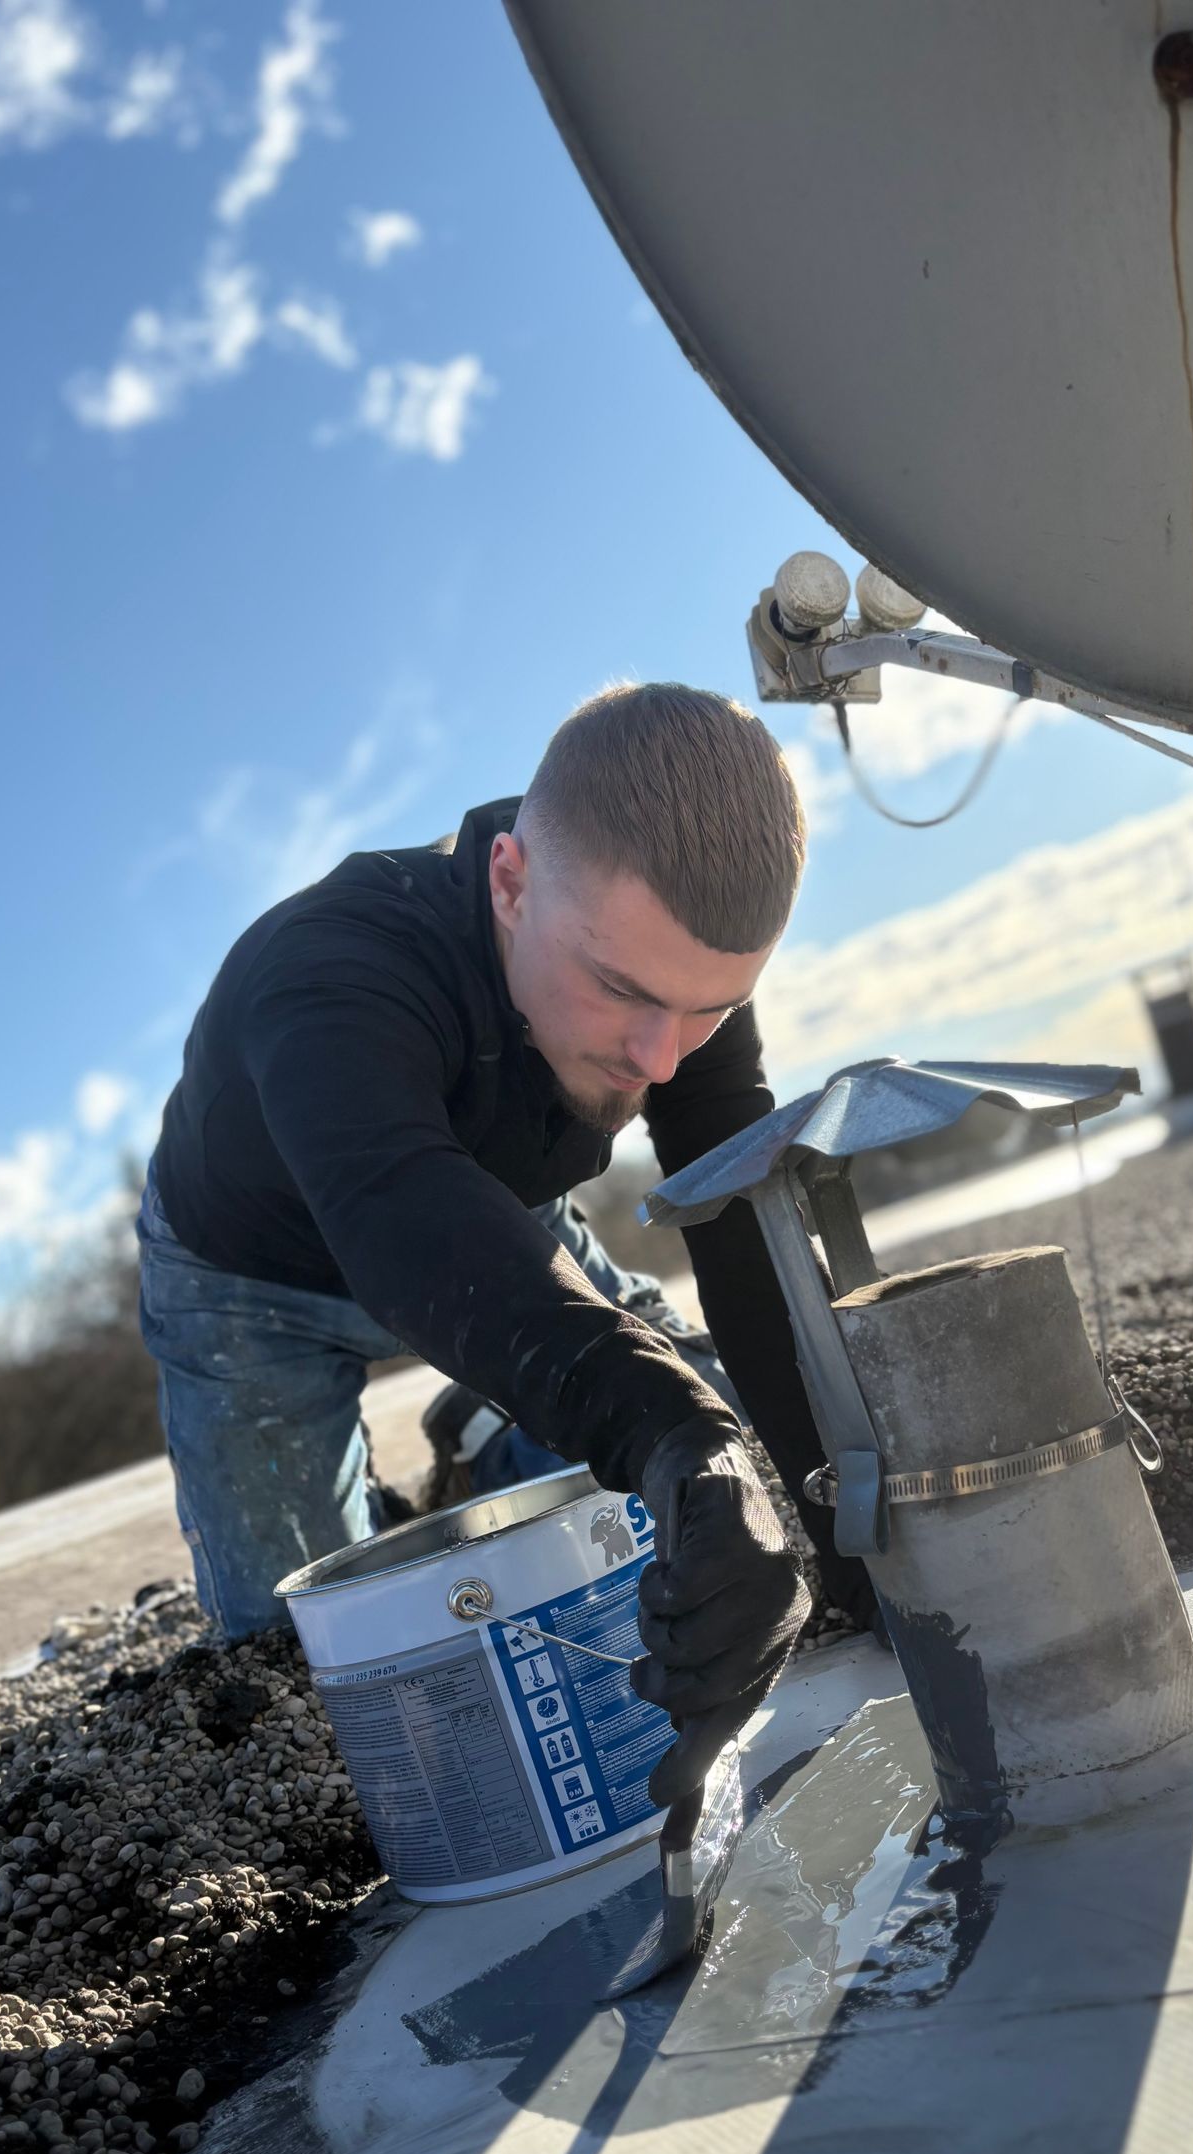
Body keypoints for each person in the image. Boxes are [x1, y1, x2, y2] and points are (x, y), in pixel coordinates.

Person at [137, 680, 867, 1796]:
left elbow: (743, 1231)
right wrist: (674, 1432)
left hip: (498, 1219)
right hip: (256, 1278)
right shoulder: (331, 971)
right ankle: (524, 1408)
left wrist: (846, 1519)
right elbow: (409, 1227)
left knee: (732, 1458)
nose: (663, 1059)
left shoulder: (669, 970)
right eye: (620, 991)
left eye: (711, 1010)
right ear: (510, 883)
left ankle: (494, 1423)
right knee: (308, 1674)